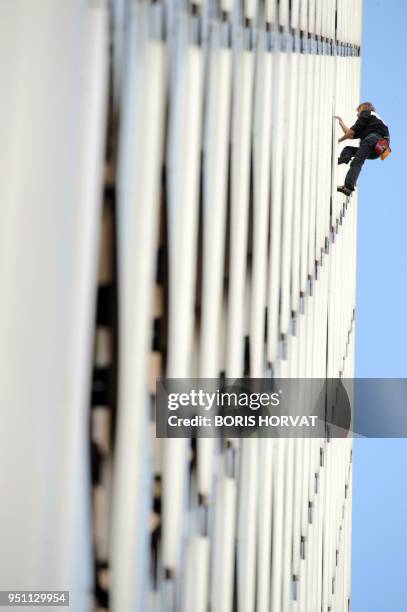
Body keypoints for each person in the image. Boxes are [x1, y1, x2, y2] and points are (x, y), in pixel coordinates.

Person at [334, 102, 390, 196]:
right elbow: (351, 134)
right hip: (378, 150)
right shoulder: (372, 122)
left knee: (357, 162)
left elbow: (352, 131)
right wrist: (341, 123)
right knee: (349, 150)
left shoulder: (367, 112)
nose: (357, 115)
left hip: (374, 140)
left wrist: (339, 140)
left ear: (363, 108)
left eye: (358, 111)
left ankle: (348, 187)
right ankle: (344, 158)